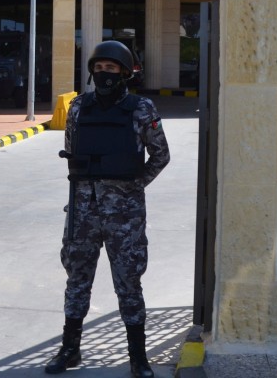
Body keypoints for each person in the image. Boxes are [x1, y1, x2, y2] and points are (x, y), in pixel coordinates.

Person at [44, 41, 170, 378]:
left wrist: (134, 185)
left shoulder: (141, 109)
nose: (103, 74)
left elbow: (160, 155)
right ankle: (69, 350)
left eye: (111, 69)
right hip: (83, 210)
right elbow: (72, 150)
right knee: (77, 280)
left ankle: (137, 357)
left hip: (124, 215)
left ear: (125, 73)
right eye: (99, 68)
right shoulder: (78, 108)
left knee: (129, 282)